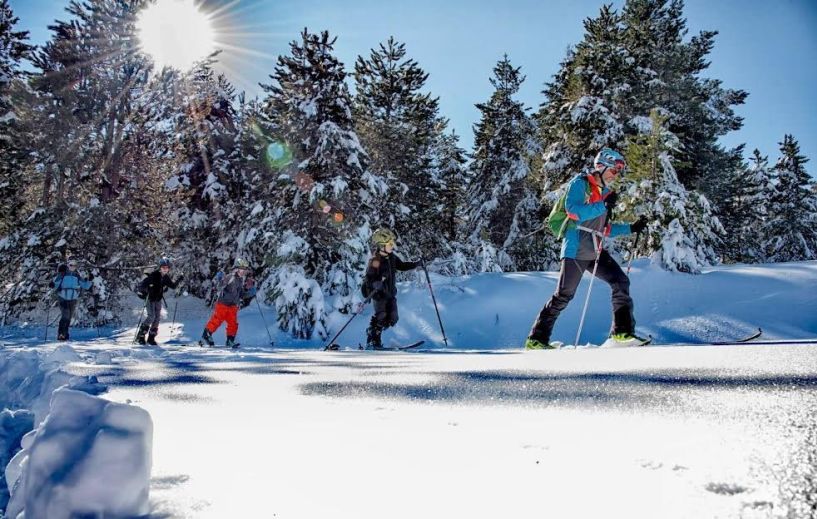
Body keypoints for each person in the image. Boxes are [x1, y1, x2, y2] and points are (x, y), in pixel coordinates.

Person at [526, 148, 648, 349]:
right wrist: (603, 206)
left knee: (620, 281)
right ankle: (536, 339)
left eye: (619, 171)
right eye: (615, 170)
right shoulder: (580, 184)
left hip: (595, 249)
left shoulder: (605, 193)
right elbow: (573, 211)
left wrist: (631, 227)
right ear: (602, 166)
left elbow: (604, 228)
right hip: (576, 247)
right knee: (564, 294)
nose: (616, 175)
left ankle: (622, 333)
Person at [361, 228, 421, 349]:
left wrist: (416, 264)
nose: (392, 246)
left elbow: (402, 266)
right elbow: (369, 278)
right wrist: (375, 284)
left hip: (390, 294)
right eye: (389, 244)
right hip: (379, 295)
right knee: (381, 316)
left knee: (393, 317)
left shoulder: (392, 257)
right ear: (382, 245)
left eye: (392, 243)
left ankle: (373, 331)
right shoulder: (375, 260)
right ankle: (373, 340)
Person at [201, 258, 257, 348]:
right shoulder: (230, 277)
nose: (243, 272)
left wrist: (249, 291)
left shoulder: (240, 280)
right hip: (223, 303)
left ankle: (230, 340)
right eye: (242, 269)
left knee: (233, 324)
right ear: (237, 268)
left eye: (245, 270)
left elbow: (241, 295)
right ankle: (206, 335)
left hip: (233, 306)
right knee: (217, 320)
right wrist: (219, 279)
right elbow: (219, 287)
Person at [136, 257, 182, 345]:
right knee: (151, 316)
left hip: (158, 299)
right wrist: (146, 290)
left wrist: (179, 279)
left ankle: (151, 338)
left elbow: (172, 286)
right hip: (150, 298)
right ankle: (141, 336)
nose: (165, 269)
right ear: (160, 267)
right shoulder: (154, 275)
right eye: (163, 267)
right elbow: (141, 285)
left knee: (157, 318)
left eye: (167, 268)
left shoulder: (165, 277)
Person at [52, 259, 94, 341]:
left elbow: (85, 285)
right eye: (71, 265)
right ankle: (61, 334)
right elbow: (56, 283)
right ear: (68, 265)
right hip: (62, 297)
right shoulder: (63, 273)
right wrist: (52, 284)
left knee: (69, 317)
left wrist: (90, 280)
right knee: (65, 315)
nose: (73, 267)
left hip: (73, 299)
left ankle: (65, 334)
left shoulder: (76, 276)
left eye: (74, 265)